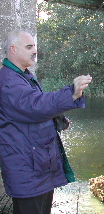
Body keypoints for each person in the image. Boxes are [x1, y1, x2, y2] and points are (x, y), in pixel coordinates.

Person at [0, 29, 92, 214]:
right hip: (27, 171)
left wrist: (59, 120)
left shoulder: (24, 76)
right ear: (13, 50)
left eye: (35, 46)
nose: (34, 51)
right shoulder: (9, 81)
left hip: (36, 168)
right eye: (29, 47)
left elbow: (29, 109)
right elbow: (35, 105)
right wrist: (71, 93)